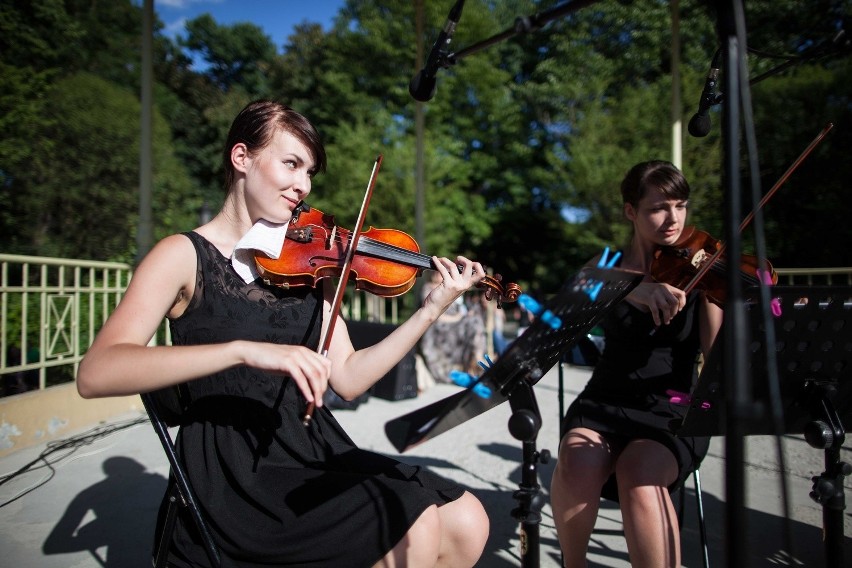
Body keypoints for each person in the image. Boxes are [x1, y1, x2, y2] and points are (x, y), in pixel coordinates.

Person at [77, 99, 489, 568]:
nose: (304, 186)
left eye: (310, 172)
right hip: (235, 470)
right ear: (241, 158)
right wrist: (243, 351)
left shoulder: (312, 265)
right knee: (411, 520)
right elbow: (96, 373)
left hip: (309, 445)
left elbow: (350, 378)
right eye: (291, 164)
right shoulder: (182, 255)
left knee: (467, 519)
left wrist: (430, 311)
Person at [550, 160, 724, 567]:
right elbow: (577, 285)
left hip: (674, 406)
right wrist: (631, 288)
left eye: (680, 206)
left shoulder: (703, 266)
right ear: (631, 211)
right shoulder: (610, 262)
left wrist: (744, 313)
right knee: (577, 461)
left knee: (640, 476)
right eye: (658, 208)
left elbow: (717, 357)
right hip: (604, 400)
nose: (673, 219)